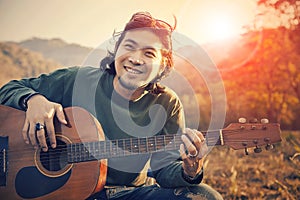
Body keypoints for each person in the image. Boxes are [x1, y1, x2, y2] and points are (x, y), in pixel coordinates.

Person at [0, 12, 223, 200]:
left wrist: (189, 170)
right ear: (116, 51)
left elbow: (164, 169)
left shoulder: (167, 104)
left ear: (163, 64)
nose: (135, 59)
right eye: (129, 47)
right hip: (61, 193)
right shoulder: (79, 79)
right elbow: (9, 90)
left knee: (203, 196)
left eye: (148, 53)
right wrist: (33, 100)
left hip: (124, 194)